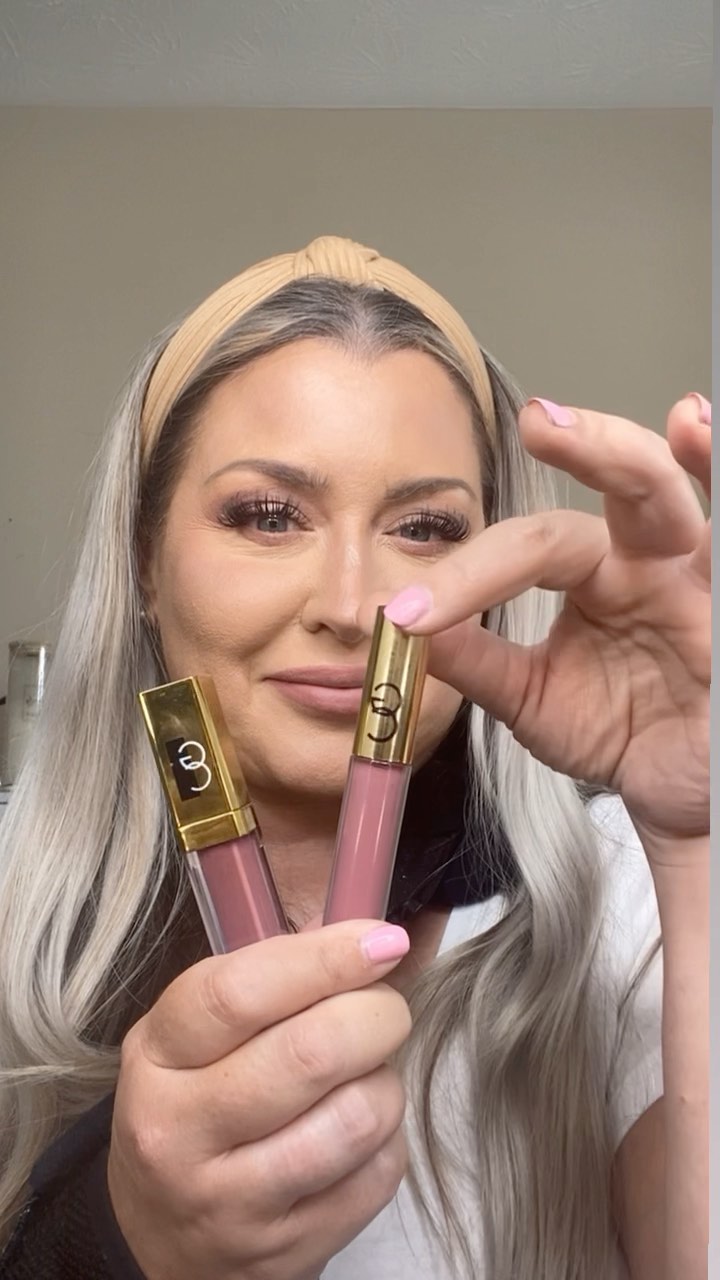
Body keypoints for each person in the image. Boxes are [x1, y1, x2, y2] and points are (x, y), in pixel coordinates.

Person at [0, 235, 709, 1280]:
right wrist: (107, 1242)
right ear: (146, 557)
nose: (349, 605)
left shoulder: (627, 899)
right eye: (267, 515)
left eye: (424, 528)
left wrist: (690, 847)